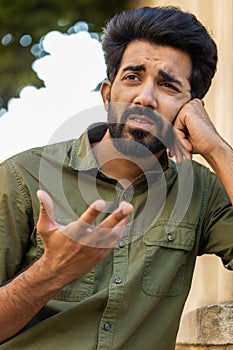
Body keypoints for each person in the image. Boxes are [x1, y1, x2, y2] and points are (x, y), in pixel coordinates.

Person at [0, 5, 232, 350]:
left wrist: (214, 146)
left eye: (168, 86)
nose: (145, 97)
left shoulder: (200, 191)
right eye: (132, 77)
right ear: (108, 94)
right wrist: (51, 271)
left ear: (191, 108)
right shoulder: (22, 178)